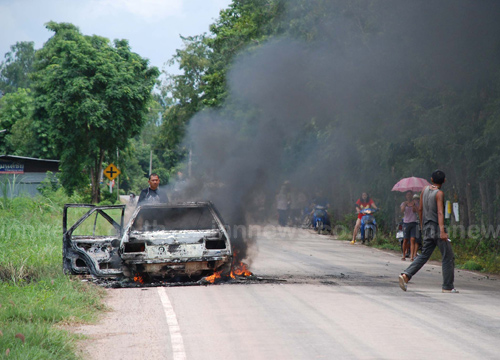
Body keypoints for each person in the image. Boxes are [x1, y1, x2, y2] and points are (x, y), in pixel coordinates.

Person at [399, 170, 458, 293]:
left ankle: (406, 275)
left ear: (431, 179)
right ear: (444, 181)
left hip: (426, 227)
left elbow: (420, 209)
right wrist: (442, 230)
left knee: (424, 255)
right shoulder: (439, 193)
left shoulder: (424, 190)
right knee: (448, 256)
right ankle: (447, 287)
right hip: (436, 227)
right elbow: (440, 212)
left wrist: (422, 226)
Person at [400, 190, 419, 261]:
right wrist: (404, 206)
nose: (409, 196)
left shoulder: (415, 203)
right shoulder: (403, 203)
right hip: (406, 222)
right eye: (407, 195)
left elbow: (417, 211)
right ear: (406, 196)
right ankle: (404, 254)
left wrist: (414, 206)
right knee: (405, 239)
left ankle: (412, 256)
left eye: (410, 195)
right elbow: (402, 211)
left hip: (413, 222)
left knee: (413, 239)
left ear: (412, 196)